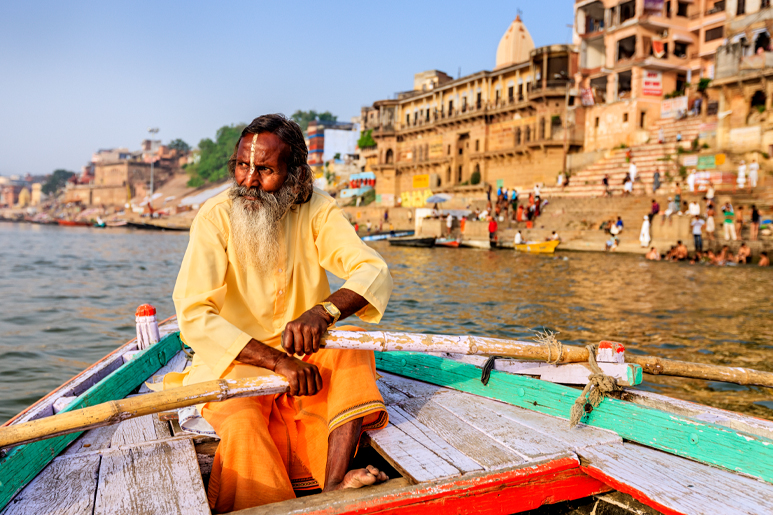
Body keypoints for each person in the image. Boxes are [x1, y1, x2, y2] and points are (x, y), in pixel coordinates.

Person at [170, 114, 393, 512]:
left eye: (265, 170)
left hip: (307, 355)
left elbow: (372, 270)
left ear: (296, 175)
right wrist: (277, 362)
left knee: (354, 350)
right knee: (243, 426)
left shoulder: (317, 210)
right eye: (242, 166)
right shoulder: (215, 216)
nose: (249, 181)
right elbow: (193, 315)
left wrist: (323, 312)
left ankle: (332, 489)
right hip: (234, 362)